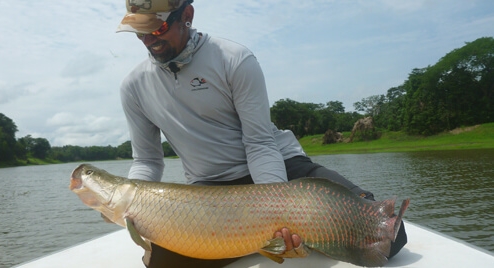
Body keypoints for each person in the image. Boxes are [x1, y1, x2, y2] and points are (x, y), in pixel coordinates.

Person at [116, 1, 407, 267]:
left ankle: (260, 237)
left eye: (159, 27)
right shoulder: (133, 87)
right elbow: (147, 161)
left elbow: (259, 143)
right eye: (140, 32)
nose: (149, 39)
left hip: (277, 167)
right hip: (212, 187)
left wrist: (278, 215)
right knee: (163, 264)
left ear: (187, 16)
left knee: (387, 235)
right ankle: (263, 239)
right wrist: (130, 204)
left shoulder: (234, 59)